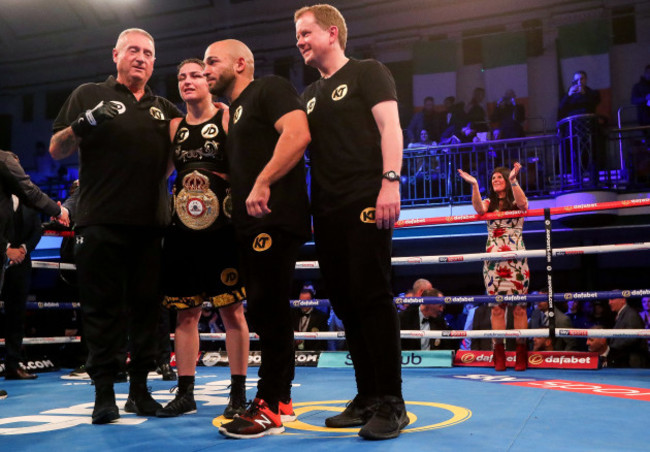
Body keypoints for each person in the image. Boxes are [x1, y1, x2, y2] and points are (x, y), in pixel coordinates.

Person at [49, 28, 181, 424]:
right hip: (100, 221)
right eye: (133, 50)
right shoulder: (88, 94)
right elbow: (57, 149)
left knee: (145, 312)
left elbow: (177, 155)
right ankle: (103, 394)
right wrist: (82, 124)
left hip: (150, 225)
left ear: (154, 61)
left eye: (148, 52)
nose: (141, 57)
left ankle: (139, 393)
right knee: (101, 312)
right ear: (116, 55)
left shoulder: (164, 108)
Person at [295, 4, 408, 440]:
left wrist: (390, 182)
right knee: (344, 302)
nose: (300, 41)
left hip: (366, 197)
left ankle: (392, 402)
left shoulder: (368, 72)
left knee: (372, 296)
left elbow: (391, 127)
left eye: (306, 32)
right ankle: (366, 396)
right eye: (297, 35)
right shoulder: (308, 95)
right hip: (325, 209)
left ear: (332, 32)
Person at [203, 39, 311, 438]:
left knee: (268, 308)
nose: (206, 69)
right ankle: (279, 399)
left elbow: (297, 134)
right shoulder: (235, 113)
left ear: (241, 63)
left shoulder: (269, 88)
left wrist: (263, 181)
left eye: (212, 61)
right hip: (250, 220)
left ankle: (268, 405)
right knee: (266, 309)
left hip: (274, 215)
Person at [155, 59, 250, 418]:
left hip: (222, 231)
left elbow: (244, 163)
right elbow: (163, 171)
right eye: (181, 77)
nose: (187, 81)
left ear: (209, 81)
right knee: (185, 315)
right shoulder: (174, 126)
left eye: (195, 75)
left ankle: (238, 393)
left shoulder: (226, 117)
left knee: (233, 312)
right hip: (182, 232)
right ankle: (185, 393)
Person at [458, 163, 529, 371]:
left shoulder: (515, 197)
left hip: (516, 257)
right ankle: (499, 354)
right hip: (494, 259)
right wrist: (474, 184)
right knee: (496, 308)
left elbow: (523, 204)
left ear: (507, 180)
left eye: (499, 177)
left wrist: (514, 179)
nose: (495, 180)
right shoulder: (489, 202)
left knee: (519, 307)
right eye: (493, 178)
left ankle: (521, 354)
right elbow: (479, 209)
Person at [2, 199, 42, 380]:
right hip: (1, 256)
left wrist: (23, 250)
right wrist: (6, 249)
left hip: (21, 263)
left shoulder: (28, 200)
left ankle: (13, 366)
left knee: (16, 315)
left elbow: (37, 229)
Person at [607, 296, 649, 368]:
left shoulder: (630, 314)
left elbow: (632, 338)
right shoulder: (623, 314)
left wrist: (611, 348)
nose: (609, 302)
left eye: (612, 299)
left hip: (633, 361)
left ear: (623, 300)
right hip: (626, 359)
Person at [291, 286, 329, 351]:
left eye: (306, 301)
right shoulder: (292, 314)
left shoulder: (321, 316)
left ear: (312, 301)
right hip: (294, 352)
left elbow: (323, 342)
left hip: (313, 352)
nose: (303, 304)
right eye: (301, 301)